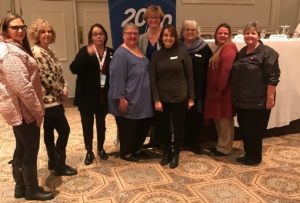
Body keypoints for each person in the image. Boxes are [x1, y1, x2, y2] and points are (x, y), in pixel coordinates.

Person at [0, 13, 54, 200]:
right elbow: (22, 87)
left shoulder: (13, 48)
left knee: (22, 148)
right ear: (6, 30)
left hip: (21, 110)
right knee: (31, 149)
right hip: (24, 111)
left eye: (22, 26)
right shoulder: (10, 53)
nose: (20, 30)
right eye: (15, 28)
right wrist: (38, 111)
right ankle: (31, 189)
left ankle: (20, 187)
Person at [28, 19, 77, 176]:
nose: (47, 34)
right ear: (37, 34)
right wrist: (60, 90)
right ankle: (59, 164)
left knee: (49, 131)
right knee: (64, 130)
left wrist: (65, 86)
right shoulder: (37, 52)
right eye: (43, 32)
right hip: (48, 101)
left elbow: (59, 74)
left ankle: (52, 162)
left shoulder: (50, 51)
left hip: (54, 98)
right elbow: (46, 78)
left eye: (49, 31)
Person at [232, 22, 280, 165]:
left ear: (259, 35)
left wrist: (270, 98)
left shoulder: (268, 53)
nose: (250, 36)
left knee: (255, 131)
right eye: (247, 33)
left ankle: (255, 157)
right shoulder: (242, 51)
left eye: (253, 33)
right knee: (245, 129)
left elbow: (273, 77)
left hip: (258, 101)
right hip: (242, 99)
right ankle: (248, 154)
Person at [150, 24, 194, 169]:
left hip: (180, 98)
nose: (168, 38)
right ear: (161, 38)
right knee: (163, 128)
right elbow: (153, 79)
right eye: (165, 35)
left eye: (171, 35)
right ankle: (166, 153)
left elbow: (189, 77)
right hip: (162, 99)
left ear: (175, 38)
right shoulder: (156, 55)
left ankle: (176, 154)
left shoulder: (182, 53)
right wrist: (156, 99)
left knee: (179, 127)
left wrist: (191, 98)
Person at [108, 22, 153, 162]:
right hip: (129, 99)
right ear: (123, 35)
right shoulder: (121, 53)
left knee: (142, 125)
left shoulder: (139, 50)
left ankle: (136, 149)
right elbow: (116, 77)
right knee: (129, 128)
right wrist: (121, 97)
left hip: (142, 99)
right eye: (129, 33)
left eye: (135, 33)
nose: (133, 36)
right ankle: (126, 152)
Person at [70, 24, 114, 165]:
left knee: (101, 123)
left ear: (105, 35)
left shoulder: (111, 52)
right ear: (91, 37)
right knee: (87, 125)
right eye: (95, 34)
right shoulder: (85, 51)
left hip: (102, 95)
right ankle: (89, 151)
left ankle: (100, 149)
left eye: (101, 33)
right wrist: (86, 55)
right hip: (86, 96)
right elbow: (73, 68)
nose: (99, 36)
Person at [204, 23, 238, 156]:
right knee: (218, 119)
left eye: (225, 33)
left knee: (225, 120)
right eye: (220, 33)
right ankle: (221, 145)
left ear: (229, 36)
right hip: (217, 91)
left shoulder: (229, 48)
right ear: (215, 35)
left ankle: (225, 148)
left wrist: (220, 89)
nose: (222, 35)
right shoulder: (220, 48)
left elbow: (226, 70)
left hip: (223, 91)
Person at [179, 19, 213, 152]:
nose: (190, 32)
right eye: (187, 29)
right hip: (180, 90)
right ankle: (182, 142)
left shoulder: (204, 48)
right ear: (183, 31)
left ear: (197, 32)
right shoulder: (177, 46)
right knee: (181, 117)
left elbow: (210, 67)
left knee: (196, 118)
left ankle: (195, 143)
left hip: (199, 91)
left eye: (193, 30)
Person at [139, 5, 165, 148]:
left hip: (163, 81)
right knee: (148, 111)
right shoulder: (142, 38)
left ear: (160, 19)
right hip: (146, 81)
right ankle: (151, 140)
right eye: (150, 17)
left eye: (156, 17)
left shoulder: (166, 35)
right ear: (146, 20)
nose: (153, 20)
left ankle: (160, 142)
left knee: (161, 113)